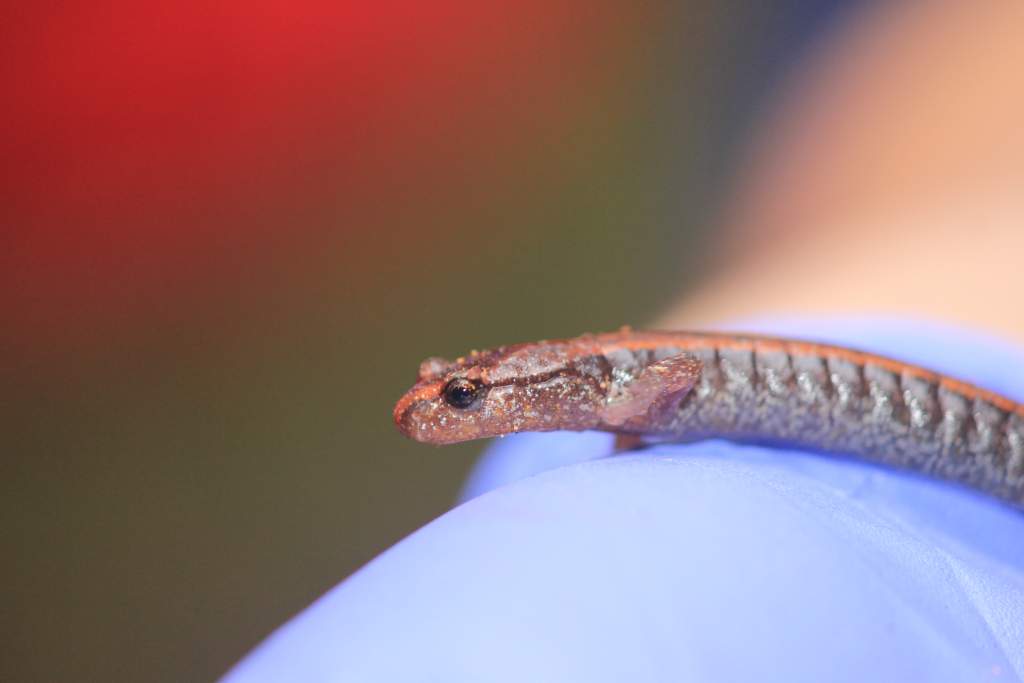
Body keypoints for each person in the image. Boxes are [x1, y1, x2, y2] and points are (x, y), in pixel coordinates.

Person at [224, 1, 1024, 680]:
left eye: (460, 395)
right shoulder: (595, 388)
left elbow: (676, 369)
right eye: (448, 390)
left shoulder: (616, 382)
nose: (430, 407)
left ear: (530, 386)